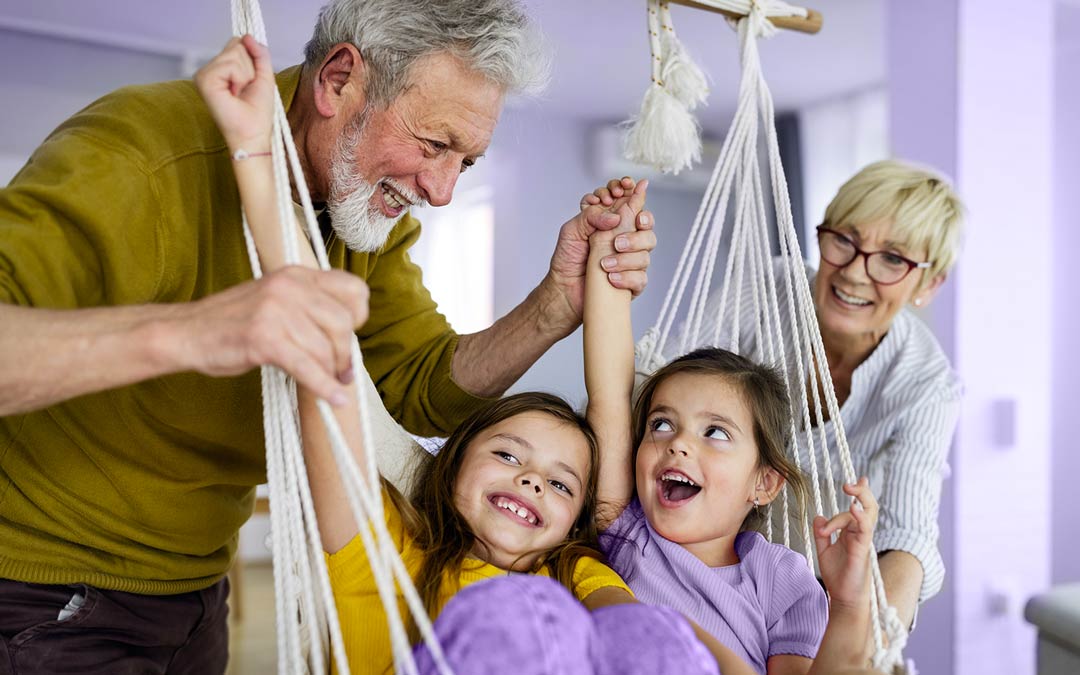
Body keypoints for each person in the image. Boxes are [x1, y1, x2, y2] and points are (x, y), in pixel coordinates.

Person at [0, 1, 656, 672]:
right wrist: (195, 331)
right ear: (338, 81)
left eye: (466, 162)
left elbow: (416, 384)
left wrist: (552, 307)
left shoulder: (359, 207)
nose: (440, 192)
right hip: (50, 585)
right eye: (434, 145)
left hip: (194, 586)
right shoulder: (139, 157)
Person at [206, 34, 722, 675]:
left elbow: (629, 625)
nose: (532, 480)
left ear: (573, 524)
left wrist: (603, 276)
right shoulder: (384, 547)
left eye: (561, 484)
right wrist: (257, 157)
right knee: (510, 622)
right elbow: (323, 355)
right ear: (449, 469)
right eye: (507, 455)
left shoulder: (577, 571)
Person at [579, 179, 883, 674]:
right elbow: (610, 394)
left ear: (763, 483)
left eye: (714, 432)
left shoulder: (782, 579)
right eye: (660, 424)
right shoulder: (628, 530)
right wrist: (608, 248)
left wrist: (848, 603)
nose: (676, 443)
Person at [665, 160, 965, 629]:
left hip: (810, 592)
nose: (855, 274)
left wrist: (876, 641)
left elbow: (907, 536)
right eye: (844, 240)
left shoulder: (926, 384)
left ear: (928, 283)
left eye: (892, 258)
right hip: (693, 548)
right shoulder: (771, 288)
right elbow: (657, 379)